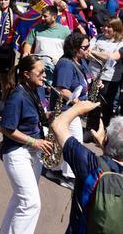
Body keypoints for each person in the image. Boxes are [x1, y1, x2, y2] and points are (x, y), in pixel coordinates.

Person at [0, 55, 54, 234]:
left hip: (32, 154)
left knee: (19, 200)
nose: (44, 76)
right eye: (41, 72)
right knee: (30, 204)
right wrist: (34, 141)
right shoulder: (17, 96)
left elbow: (34, 116)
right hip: (18, 153)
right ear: (27, 74)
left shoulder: (34, 90)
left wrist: (51, 115)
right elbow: (6, 128)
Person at [50, 101, 123, 233]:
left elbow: (58, 125)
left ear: (106, 139)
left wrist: (77, 108)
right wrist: (105, 145)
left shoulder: (92, 165)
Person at [45, 33, 93, 190]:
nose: (88, 50)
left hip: (74, 110)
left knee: (64, 142)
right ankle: (69, 176)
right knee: (74, 141)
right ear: (75, 48)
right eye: (85, 47)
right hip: (66, 110)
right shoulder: (66, 64)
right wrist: (79, 104)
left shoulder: (80, 61)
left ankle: (55, 170)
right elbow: (62, 90)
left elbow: (87, 78)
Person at [88, 18, 123, 127]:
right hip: (93, 76)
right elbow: (86, 53)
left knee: (106, 107)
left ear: (116, 29)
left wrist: (94, 52)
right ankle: (91, 129)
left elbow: (111, 58)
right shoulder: (97, 38)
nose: (105, 29)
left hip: (110, 79)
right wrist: (103, 55)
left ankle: (104, 130)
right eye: (104, 26)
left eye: (109, 27)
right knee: (92, 104)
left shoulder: (120, 43)